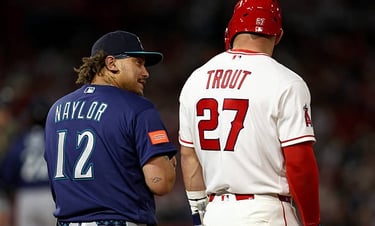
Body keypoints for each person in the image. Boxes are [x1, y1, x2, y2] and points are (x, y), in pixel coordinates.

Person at [179, 0, 321, 225]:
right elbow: (299, 163)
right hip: (266, 211)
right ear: (278, 35)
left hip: (216, 213)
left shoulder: (195, 79)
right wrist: (312, 221)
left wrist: (200, 216)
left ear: (231, 30)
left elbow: (189, 155)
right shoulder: (286, 81)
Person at [44, 30, 177, 226]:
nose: (145, 72)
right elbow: (161, 183)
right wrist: (167, 162)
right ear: (111, 63)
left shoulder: (56, 110)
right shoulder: (138, 107)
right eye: (138, 63)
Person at [0, 97, 56, 226]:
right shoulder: (56, 136)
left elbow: (8, 170)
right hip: (51, 194)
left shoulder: (22, 139)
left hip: (26, 195)